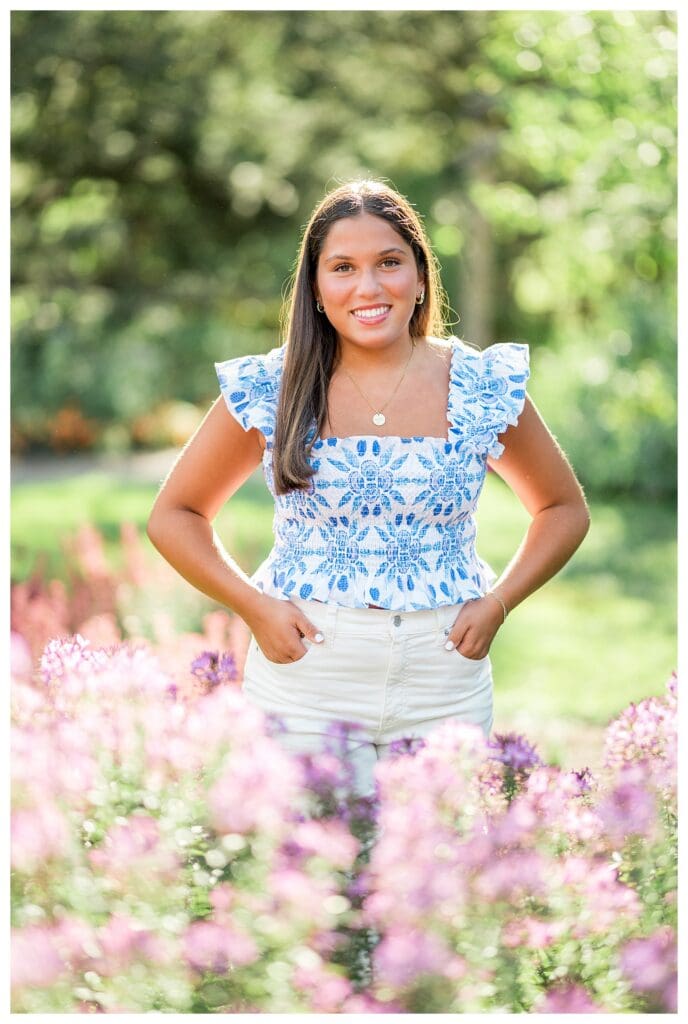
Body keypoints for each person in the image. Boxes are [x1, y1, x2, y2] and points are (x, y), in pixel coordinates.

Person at [147, 178, 590, 797]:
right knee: (312, 881)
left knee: (436, 879)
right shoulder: (271, 386)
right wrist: (254, 607)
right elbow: (175, 514)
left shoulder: (481, 383)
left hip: (444, 678)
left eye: (389, 262)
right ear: (317, 288)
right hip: (307, 675)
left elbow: (563, 508)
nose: (369, 287)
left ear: (419, 275)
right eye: (343, 268)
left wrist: (498, 602)